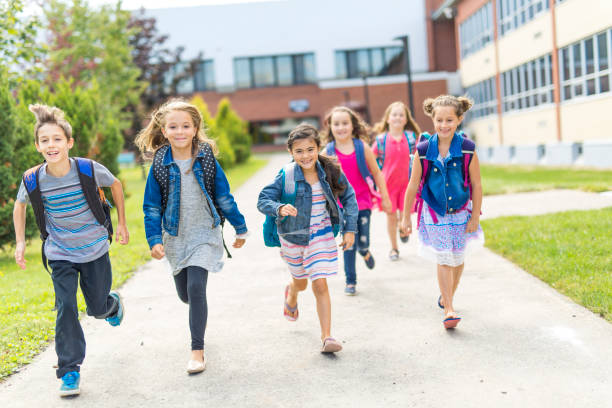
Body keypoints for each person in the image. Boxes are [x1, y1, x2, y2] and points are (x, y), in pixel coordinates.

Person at [13, 104, 129, 397]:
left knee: (97, 309)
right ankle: (69, 371)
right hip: (60, 252)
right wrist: (21, 242)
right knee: (66, 306)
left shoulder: (87, 169)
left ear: (69, 142)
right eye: (45, 140)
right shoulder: (33, 178)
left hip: (94, 250)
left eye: (57, 139)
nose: (51, 145)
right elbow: (20, 204)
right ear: (37, 145)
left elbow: (115, 185)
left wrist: (122, 224)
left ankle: (110, 305)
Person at [136, 99, 248, 373]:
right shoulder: (160, 163)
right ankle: (197, 311)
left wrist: (240, 226)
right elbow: (151, 206)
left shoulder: (206, 158)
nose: (180, 131)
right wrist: (154, 239)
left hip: (204, 233)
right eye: (173, 126)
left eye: (186, 125)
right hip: (175, 237)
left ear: (196, 128)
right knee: (187, 295)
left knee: (197, 288)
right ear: (163, 130)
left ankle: (197, 351)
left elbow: (223, 195)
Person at [257, 123, 358, 353]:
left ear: (318, 147)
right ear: (291, 152)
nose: (306, 155)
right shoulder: (287, 175)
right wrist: (280, 207)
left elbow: (350, 197)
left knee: (320, 283)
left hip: (321, 236)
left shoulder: (330, 170)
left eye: (310, 149)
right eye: (299, 151)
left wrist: (349, 229)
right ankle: (291, 292)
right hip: (292, 238)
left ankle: (327, 337)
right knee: (301, 282)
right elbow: (263, 199)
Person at [400, 95, 484, 329]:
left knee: (458, 258)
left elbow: (476, 184)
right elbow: (413, 184)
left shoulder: (467, 150)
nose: (444, 125)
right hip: (435, 212)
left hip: (461, 211)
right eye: (439, 120)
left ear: (459, 120)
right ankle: (448, 308)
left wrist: (476, 215)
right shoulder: (424, 151)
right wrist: (405, 216)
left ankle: (448, 296)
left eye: (449, 120)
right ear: (432, 119)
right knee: (444, 258)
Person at [322, 106, 391, 295]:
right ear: (330, 127)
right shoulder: (326, 152)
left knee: (361, 241)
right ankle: (350, 281)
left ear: (353, 126)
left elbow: (377, 173)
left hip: (362, 202)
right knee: (348, 242)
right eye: (337, 124)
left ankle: (365, 251)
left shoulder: (362, 147)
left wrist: (384, 196)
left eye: (345, 123)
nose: (341, 127)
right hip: (342, 206)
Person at [372, 102, 421, 261]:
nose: (398, 117)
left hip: (408, 185)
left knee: (405, 214)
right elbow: (371, 161)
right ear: (387, 119)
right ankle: (394, 248)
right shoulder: (380, 140)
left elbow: (421, 158)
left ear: (406, 119)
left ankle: (403, 227)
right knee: (391, 216)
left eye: (401, 115)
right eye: (394, 114)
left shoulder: (412, 138)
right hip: (388, 186)